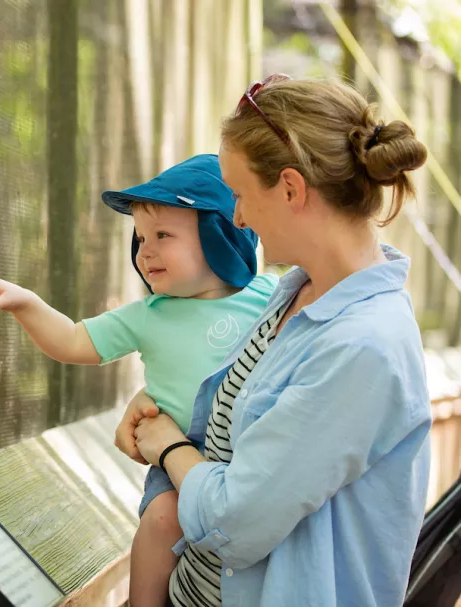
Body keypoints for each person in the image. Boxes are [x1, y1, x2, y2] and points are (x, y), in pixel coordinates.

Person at [116, 75, 432, 606]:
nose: (237, 217)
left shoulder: (361, 348)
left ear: (290, 188)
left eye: (239, 195)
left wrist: (167, 444)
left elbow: (237, 522)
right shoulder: (294, 292)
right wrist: (160, 402)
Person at [0, 154, 277, 606]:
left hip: (252, 456)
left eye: (163, 236)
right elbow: (73, 341)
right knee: (163, 519)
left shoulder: (270, 294)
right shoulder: (148, 316)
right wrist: (26, 304)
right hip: (178, 456)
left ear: (221, 236)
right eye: (141, 237)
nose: (144, 250)